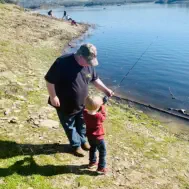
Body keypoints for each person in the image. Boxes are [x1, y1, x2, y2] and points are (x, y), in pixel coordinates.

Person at [45, 43, 113, 157]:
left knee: (82, 124)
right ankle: (76, 145)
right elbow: (49, 80)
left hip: (83, 104)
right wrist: (53, 96)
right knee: (70, 126)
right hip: (64, 104)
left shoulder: (88, 64)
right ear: (80, 56)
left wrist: (106, 90)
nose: (89, 64)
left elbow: (95, 79)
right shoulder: (62, 62)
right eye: (88, 61)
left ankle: (83, 140)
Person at [83, 95, 107, 174]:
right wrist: (103, 106)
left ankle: (92, 162)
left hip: (90, 136)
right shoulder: (98, 116)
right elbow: (104, 116)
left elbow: (89, 108)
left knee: (92, 148)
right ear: (98, 107)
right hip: (99, 138)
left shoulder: (85, 112)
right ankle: (101, 167)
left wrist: (99, 105)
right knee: (102, 152)